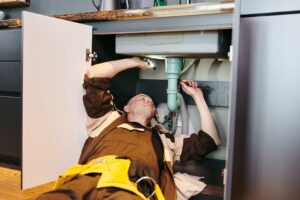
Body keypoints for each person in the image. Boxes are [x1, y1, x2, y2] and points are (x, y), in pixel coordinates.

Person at [36, 57, 221, 200]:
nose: (149, 99)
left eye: (151, 102)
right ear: (126, 107)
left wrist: (198, 96)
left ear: (155, 114)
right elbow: (94, 75)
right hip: (89, 176)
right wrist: (135, 62)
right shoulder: (107, 119)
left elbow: (211, 141)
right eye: (142, 97)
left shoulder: (165, 140)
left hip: (134, 185)